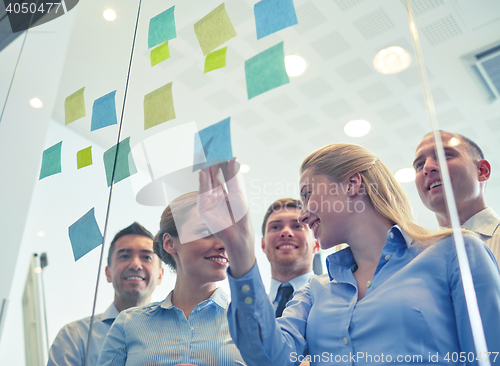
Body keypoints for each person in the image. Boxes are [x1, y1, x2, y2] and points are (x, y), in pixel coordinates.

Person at [198, 150, 500, 366]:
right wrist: (238, 247)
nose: (304, 214)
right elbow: (268, 357)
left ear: (353, 184)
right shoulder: (315, 291)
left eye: (308, 193)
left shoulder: (456, 252)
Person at [97, 192, 245, 366]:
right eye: (206, 231)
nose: (223, 244)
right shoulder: (128, 324)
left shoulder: (253, 323)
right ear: (169, 243)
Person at [47, 222, 164, 366]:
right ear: (108, 273)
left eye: (147, 257)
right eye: (124, 256)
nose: (135, 265)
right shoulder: (74, 337)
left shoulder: (175, 336)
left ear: (160, 275)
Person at [413, 130, 500, 262]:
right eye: (419, 164)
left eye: (444, 155)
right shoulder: (416, 260)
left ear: (482, 171)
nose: (427, 167)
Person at [260, 198, 319, 317]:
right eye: (275, 227)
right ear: (263, 245)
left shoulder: (337, 301)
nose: (286, 232)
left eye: (297, 226)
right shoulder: (249, 313)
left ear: (316, 244)